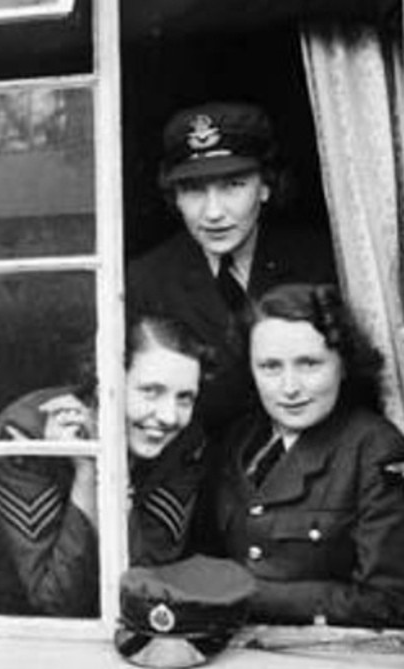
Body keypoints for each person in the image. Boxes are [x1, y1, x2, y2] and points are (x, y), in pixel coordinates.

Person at [0, 316, 212, 616]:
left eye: (185, 398)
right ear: (106, 383)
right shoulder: (24, 433)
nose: (168, 416)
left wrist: (110, 477)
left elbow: (148, 588)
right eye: (151, 391)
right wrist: (87, 472)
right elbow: (57, 599)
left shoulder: (185, 445)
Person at [212, 283, 404, 628]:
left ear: (344, 364)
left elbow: (390, 602)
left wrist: (250, 596)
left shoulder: (374, 449)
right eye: (270, 367)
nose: (290, 387)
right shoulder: (241, 439)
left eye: (308, 364)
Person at [127, 102, 338, 431]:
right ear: (175, 197)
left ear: (266, 186)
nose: (213, 212)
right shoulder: (146, 281)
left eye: (233, 185)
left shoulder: (321, 261)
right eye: (194, 190)